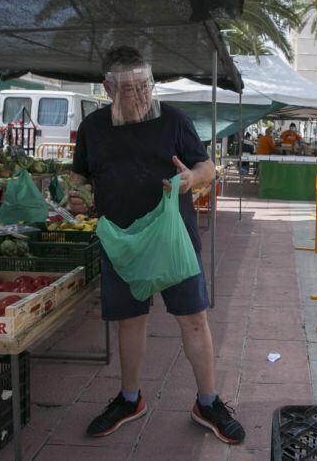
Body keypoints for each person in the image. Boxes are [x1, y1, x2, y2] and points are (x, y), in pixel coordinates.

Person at [69, 46, 245, 444]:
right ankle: (130, 398)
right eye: (128, 89)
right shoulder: (93, 128)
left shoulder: (174, 121)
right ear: (108, 88)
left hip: (172, 239)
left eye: (144, 86)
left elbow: (207, 167)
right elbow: (78, 177)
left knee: (194, 319)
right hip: (123, 241)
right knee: (130, 321)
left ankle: (208, 401)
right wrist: (74, 193)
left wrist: (190, 180)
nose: (139, 97)